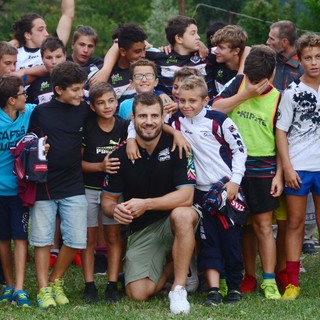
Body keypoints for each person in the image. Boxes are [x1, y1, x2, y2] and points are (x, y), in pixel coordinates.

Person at [101, 92, 199, 314]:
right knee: (138, 293)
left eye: (154, 116)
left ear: (163, 116)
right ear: (132, 119)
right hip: (143, 228)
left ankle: (179, 289)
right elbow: (107, 201)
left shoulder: (178, 146)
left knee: (182, 214)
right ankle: (174, 266)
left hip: (175, 219)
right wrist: (115, 209)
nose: (148, 122)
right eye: (142, 116)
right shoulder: (120, 154)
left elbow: (186, 197)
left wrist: (146, 204)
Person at [213, 45, 283, 300]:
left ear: (272, 75)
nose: (255, 85)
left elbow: (281, 139)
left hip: (264, 169)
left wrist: (279, 174)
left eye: (260, 81)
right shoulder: (238, 83)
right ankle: (248, 276)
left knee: (264, 225)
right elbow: (215, 109)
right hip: (234, 168)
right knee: (239, 226)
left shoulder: (278, 97)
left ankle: (269, 279)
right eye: (250, 79)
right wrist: (246, 93)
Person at [171, 75, 247, 305]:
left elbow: (241, 150)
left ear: (205, 100)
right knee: (208, 241)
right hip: (199, 193)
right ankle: (214, 289)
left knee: (230, 240)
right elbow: (143, 124)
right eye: (182, 101)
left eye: (192, 101)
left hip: (226, 188)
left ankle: (234, 286)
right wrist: (172, 131)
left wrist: (234, 181)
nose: (187, 106)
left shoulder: (219, 120)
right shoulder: (176, 123)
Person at [28, 61, 89, 309]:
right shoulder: (41, 112)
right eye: (74, 89)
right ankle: (43, 289)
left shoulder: (84, 109)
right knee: (42, 240)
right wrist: (38, 147)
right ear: (58, 89)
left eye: (81, 88)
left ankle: (56, 280)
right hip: (45, 184)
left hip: (74, 182)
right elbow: (29, 142)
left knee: (76, 239)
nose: (80, 94)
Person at [276, 33, 320, 300]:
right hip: (300, 167)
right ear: (299, 59)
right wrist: (288, 168)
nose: (314, 62)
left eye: (318, 57)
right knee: (295, 223)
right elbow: (281, 131)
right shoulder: (291, 92)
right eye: (308, 58)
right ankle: (292, 283)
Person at [81, 82, 129, 303]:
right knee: (89, 238)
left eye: (111, 101)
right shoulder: (87, 127)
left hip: (115, 191)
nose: (107, 106)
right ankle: (89, 285)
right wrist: (99, 167)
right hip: (89, 189)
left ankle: (112, 284)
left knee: (113, 236)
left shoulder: (125, 127)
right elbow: (76, 162)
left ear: (117, 102)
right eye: (101, 102)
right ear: (92, 106)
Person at [0, 75, 36, 307]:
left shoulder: (29, 111)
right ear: (12, 100)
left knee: (21, 237)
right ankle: (9, 284)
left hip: (19, 191)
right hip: (0, 193)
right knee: (3, 239)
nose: (27, 97)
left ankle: (21, 288)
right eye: (23, 93)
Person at [12, 0, 74, 78]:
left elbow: (67, 15)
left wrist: (24, 71)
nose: (47, 34)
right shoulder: (14, 53)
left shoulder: (54, 47)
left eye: (46, 29)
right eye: (40, 30)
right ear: (28, 35)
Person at [26, 36, 67, 104]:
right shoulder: (35, 86)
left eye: (58, 57)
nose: (54, 62)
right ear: (42, 59)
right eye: (49, 58)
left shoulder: (78, 78)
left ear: (65, 56)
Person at [266, 20, 304, 92]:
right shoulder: (268, 59)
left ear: (284, 42)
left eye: (271, 39)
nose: (267, 42)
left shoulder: (304, 65)